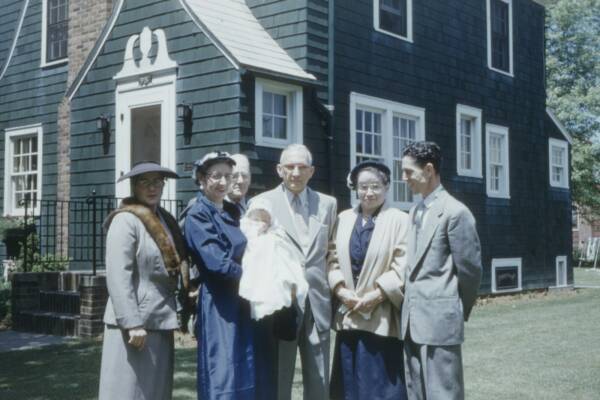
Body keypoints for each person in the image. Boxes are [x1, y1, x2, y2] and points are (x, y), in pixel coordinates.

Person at [251, 144, 337, 400]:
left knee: (319, 379)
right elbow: (256, 255)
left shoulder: (328, 204)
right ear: (279, 170)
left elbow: (330, 251)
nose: (296, 172)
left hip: (317, 303)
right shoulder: (262, 203)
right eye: (290, 167)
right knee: (279, 377)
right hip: (282, 305)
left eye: (302, 167)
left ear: (312, 171)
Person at [400, 141, 482, 400]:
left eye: (408, 172)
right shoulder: (415, 211)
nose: (404, 178)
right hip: (411, 321)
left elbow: (470, 271)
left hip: (440, 323)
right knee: (416, 393)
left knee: (444, 394)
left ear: (429, 170)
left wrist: (453, 309)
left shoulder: (456, 213)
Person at [99, 162, 187, 400]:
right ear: (133, 186)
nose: (152, 188)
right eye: (144, 182)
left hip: (160, 320)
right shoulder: (125, 221)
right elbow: (119, 276)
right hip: (133, 326)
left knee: (155, 393)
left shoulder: (165, 220)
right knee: (126, 392)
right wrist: (132, 322)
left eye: (157, 181)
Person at [328, 161, 409, 400]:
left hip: (381, 317)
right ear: (355, 188)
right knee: (349, 387)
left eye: (375, 186)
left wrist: (377, 295)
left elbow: (403, 263)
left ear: (387, 187)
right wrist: (340, 290)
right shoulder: (342, 219)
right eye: (363, 187)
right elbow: (330, 258)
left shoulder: (400, 220)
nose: (369, 192)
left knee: (379, 387)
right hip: (349, 313)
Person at [183, 151, 261, 400]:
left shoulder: (232, 211)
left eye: (228, 176)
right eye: (216, 176)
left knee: (244, 364)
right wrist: (255, 275)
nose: (223, 182)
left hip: (242, 297)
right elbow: (217, 263)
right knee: (223, 369)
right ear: (202, 179)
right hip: (219, 301)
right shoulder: (198, 214)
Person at [238, 200, 309, 322]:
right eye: (256, 220)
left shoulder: (276, 235)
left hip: (274, 279)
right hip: (251, 279)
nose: (261, 223)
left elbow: (288, 256)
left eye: (265, 220)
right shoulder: (245, 230)